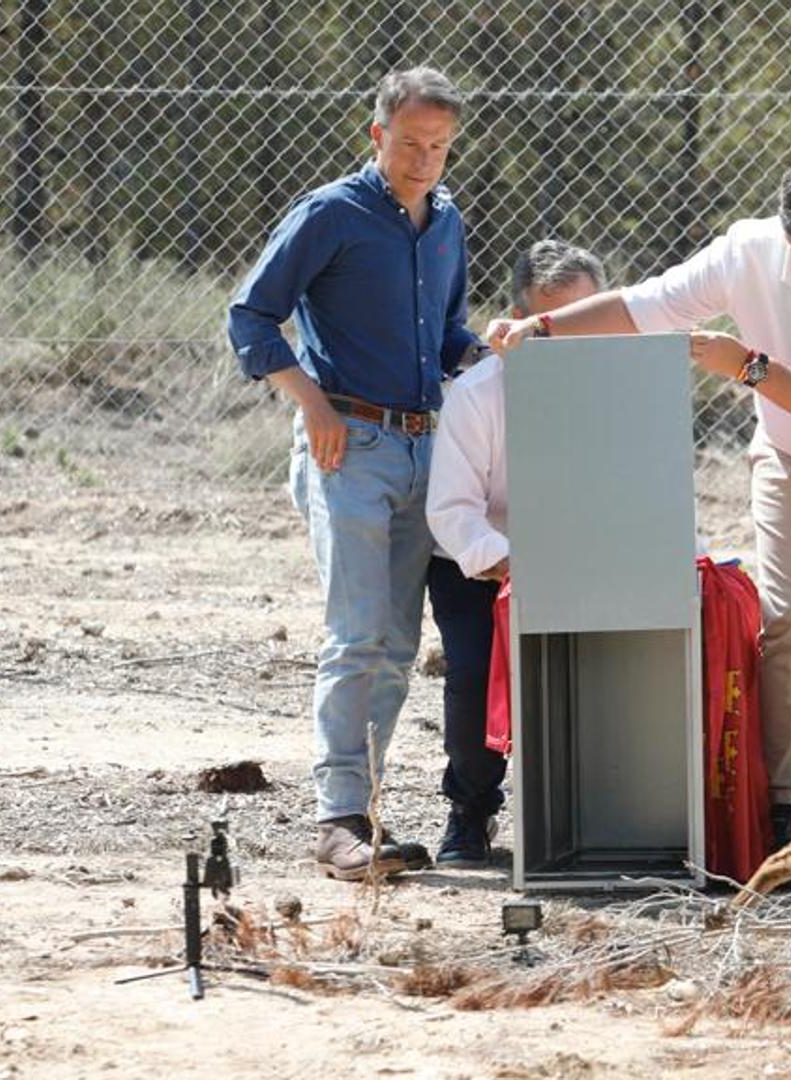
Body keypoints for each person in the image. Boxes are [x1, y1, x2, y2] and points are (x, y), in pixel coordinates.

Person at [486, 153, 791, 872]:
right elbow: (644, 305)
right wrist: (544, 328)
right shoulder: (745, 252)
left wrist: (748, 367)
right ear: (787, 236)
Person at [226, 67, 485, 882]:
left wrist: (491, 352)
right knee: (358, 634)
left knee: (401, 643)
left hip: (423, 450)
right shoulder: (330, 214)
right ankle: (337, 819)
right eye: (410, 143)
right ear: (377, 136)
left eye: (439, 147)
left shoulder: (446, 225)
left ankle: (364, 813)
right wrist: (311, 404)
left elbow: (444, 334)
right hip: (351, 448)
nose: (423, 160)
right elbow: (250, 315)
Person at [424, 239, 608, 867]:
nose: (566, 345)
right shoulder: (477, 395)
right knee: (476, 671)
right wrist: (513, 566)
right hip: (479, 568)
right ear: (515, 323)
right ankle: (471, 808)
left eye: (581, 324)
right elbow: (450, 512)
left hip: (586, 561)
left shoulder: (623, 390)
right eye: (546, 330)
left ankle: (597, 810)